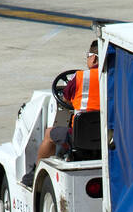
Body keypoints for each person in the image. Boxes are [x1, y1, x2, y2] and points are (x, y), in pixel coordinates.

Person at [22, 41, 100, 186]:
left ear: (94, 58)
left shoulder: (80, 77)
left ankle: (36, 174)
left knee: (49, 133)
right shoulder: (116, 78)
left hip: (79, 137)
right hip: (106, 136)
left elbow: (66, 99)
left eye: (87, 56)